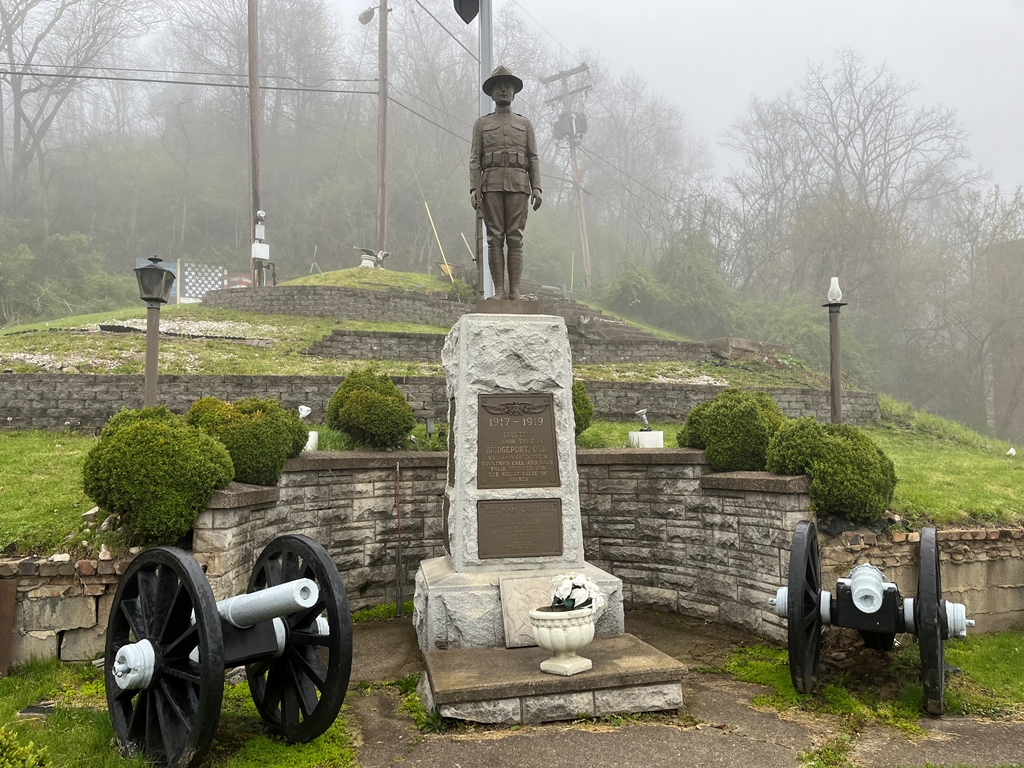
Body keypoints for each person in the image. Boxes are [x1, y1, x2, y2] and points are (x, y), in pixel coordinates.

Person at [470, 65, 542, 301]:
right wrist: (474, 188)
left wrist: (537, 187)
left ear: (514, 93)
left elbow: (533, 157)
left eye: (507, 87)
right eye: (498, 87)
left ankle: (515, 292)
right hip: (490, 185)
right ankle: (499, 291)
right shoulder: (481, 124)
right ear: (491, 94)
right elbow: (475, 158)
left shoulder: (525, 124)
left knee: (515, 237)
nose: (503, 90)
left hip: (519, 185)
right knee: (495, 238)